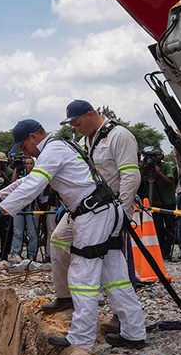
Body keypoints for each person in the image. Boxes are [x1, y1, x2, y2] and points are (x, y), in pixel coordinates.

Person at [0, 119, 147, 350]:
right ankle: (134, 332)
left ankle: (80, 339)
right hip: (105, 210)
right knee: (115, 276)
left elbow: (35, 183)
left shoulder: (52, 150)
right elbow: (29, 180)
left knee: (83, 275)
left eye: (24, 147)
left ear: (34, 137)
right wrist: (0, 196)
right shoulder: (60, 145)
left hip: (93, 215)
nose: (25, 153)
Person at [42, 99, 141, 336]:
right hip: (84, 208)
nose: (76, 128)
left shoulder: (119, 136)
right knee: (58, 240)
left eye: (77, 122)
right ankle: (65, 296)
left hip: (110, 209)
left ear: (91, 114)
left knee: (114, 261)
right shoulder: (84, 141)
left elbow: (130, 177)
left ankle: (120, 316)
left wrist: (123, 214)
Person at [137, 147, 175, 258]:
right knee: (157, 227)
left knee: (169, 227)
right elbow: (143, 181)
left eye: (158, 155)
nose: (156, 158)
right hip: (155, 202)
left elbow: (169, 181)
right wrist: (144, 168)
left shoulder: (166, 165)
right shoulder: (148, 167)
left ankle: (167, 252)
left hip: (168, 201)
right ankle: (158, 250)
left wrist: (159, 172)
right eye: (154, 156)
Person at [9, 156, 39, 261]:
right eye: (27, 163)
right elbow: (13, 183)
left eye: (31, 163)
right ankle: (15, 254)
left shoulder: (37, 174)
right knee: (18, 231)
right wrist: (16, 168)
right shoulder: (21, 173)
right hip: (19, 205)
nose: (29, 166)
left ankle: (32, 255)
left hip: (32, 205)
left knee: (32, 233)